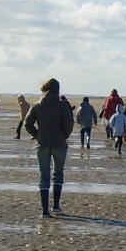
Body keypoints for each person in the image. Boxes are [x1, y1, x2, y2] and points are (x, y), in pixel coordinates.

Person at [24, 78, 74, 216]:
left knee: (44, 177)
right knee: (58, 174)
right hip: (59, 144)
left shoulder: (37, 105)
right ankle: (56, 206)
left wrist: (38, 135)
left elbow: (27, 124)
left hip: (42, 144)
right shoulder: (63, 105)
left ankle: (45, 210)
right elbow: (69, 124)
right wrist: (64, 135)